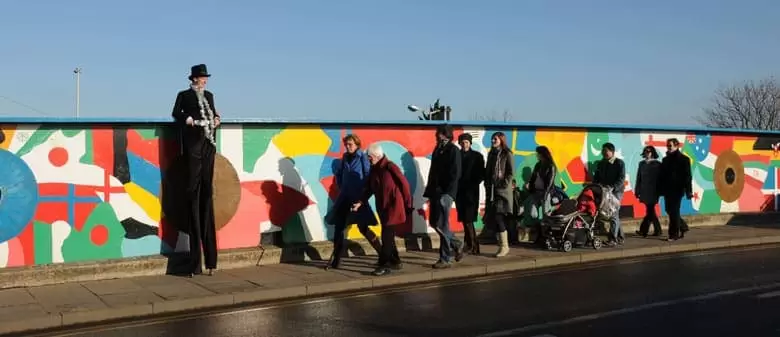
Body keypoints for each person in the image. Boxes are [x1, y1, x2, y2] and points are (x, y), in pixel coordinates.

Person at [171, 64, 221, 277]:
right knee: (193, 194)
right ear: (194, 78)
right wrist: (187, 119)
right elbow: (176, 113)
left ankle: (211, 261)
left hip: (208, 144)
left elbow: (214, 113)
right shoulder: (183, 95)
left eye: (205, 77)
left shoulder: (209, 95)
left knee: (206, 195)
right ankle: (194, 263)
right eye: (202, 78)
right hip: (193, 144)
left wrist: (217, 119)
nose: (204, 81)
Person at [351, 144, 412, 276]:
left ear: (377, 156)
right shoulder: (374, 170)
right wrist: (360, 202)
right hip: (383, 208)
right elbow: (369, 189)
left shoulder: (390, 167)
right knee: (388, 237)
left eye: (370, 157)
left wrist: (408, 204)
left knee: (386, 236)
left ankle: (384, 265)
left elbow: (404, 184)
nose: (368, 160)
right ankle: (396, 261)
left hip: (394, 207)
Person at [325, 134, 381, 270]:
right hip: (344, 198)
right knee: (339, 228)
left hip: (358, 199)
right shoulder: (345, 158)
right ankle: (336, 260)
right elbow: (339, 174)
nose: (348, 146)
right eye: (346, 144)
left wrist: (362, 193)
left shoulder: (362, 157)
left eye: (350, 144)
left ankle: (382, 254)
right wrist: (342, 186)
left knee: (363, 228)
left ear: (357, 144)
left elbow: (368, 176)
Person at [423, 124, 464, 269]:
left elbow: (455, 174)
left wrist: (448, 194)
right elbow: (433, 172)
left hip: (445, 194)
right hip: (435, 192)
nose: (436, 135)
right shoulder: (437, 149)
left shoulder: (453, 150)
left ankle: (445, 258)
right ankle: (456, 243)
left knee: (442, 224)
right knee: (435, 223)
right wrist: (429, 192)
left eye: (438, 133)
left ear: (445, 134)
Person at [484, 132, 515, 257]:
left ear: (501, 140)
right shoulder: (491, 154)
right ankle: (501, 245)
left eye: (495, 139)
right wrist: (487, 183)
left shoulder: (507, 154)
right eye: (492, 139)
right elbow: (488, 170)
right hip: (491, 190)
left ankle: (505, 246)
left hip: (502, 191)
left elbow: (510, 172)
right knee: (494, 218)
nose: (492, 141)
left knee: (499, 216)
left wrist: (504, 183)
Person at [455, 133, 485, 255]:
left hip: (471, 192)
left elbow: (481, 173)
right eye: (462, 142)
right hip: (459, 191)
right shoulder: (457, 156)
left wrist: (473, 183)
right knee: (464, 219)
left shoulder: (477, 156)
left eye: (466, 142)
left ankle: (474, 245)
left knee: (469, 219)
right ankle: (469, 244)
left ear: (470, 143)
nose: (464, 144)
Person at [658, 138, 693, 241]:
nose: (668, 147)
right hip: (667, 190)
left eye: (670, 145)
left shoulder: (684, 159)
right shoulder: (665, 160)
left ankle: (673, 234)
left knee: (674, 210)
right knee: (669, 210)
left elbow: (688, 176)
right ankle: (683, 227)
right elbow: (662, 176)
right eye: (667, 145)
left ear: (677, 146)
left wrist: (688, 191)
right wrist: (660, 190)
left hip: (678, 189)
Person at [592, 142, 626, 247]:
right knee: (614, 215)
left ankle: (613, 239)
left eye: (606, 150)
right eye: (603, 150)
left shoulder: (619, 163)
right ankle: (620, 237)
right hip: (604, 191)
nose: (603, 152)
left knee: (613, 214)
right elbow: (597, 177)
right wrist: (595, 186)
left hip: (616, 192)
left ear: (612, 151)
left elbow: (621, 178)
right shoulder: (601, 163)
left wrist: (613, 187)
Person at [522, 146, 557, 244]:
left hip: (546, 193)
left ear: (542, 154)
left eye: (538, 153)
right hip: (536, 192)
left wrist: (545, 196)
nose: (536, 155)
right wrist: (530, 186)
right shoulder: (538, 165)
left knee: (546, 215)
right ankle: (538, 233)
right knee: (532, 213)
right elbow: (533, 177)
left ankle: (547, 236)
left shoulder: (551, 166)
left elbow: (550, 183)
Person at [635, 145, 663, 237]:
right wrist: (637, 190)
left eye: (649, 151)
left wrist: (660, 190)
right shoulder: (641, 164)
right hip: (644, 190)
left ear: (653, 153)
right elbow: (638, 178)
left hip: (653, 191)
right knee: (650, 211)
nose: (647, 153)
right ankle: (657, 230)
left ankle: (644, 230)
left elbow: (660, 179)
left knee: (650, 210)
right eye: (646, 151)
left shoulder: (657, 164)